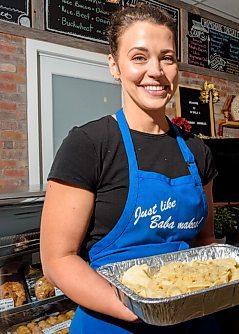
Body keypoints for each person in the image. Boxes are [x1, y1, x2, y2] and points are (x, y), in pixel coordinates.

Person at [40, 5, 219, 333]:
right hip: (113, 320)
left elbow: (205, 242)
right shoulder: (88, 145)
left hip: (192, 319)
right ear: (114, 66)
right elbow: (57, 260)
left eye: (167, 57)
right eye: (139, 57)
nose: (156, 71)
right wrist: (140, 308)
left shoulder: (197, 151)